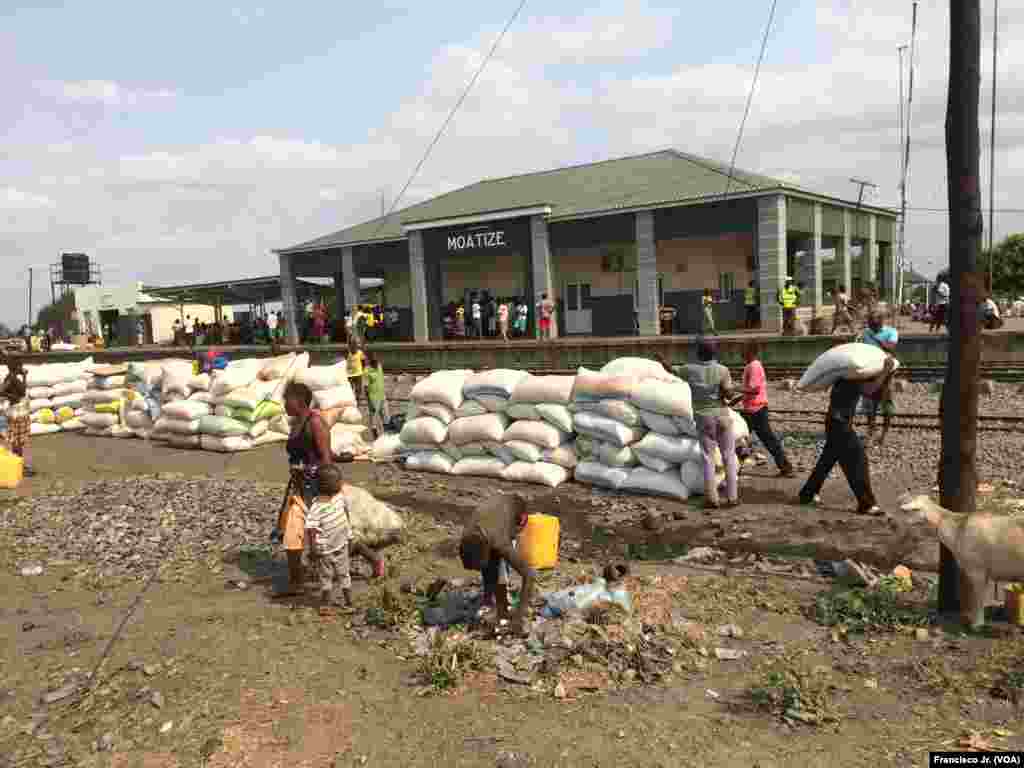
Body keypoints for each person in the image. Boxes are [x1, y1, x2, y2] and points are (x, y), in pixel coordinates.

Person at [798, 357, 893, 516]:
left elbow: (873, 389)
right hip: (840, 426)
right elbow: (870, 389)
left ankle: (807, 494)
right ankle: (866, 503)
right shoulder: (851, 380)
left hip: (835, 423)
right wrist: (885, 370)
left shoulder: (843, 378)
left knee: (827, 461)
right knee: (858, 461)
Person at [277, 381, 333, 598]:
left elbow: (327, 460)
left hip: (318, 487)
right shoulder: (295, 423)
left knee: (330, 535)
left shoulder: (315, 423)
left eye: (287, 399)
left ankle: (372, 558)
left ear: (298, 401)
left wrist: (309, 470)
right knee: (293, 534)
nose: (284, 404)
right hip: (300, 489)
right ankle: (296, 580)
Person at [458, 494, 535, 635]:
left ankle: (501, 605)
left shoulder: (501, 542)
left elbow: (529, 575)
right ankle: (494, 604)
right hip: (495, 512)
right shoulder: (467, 536)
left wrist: (519, 618)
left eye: (479, 565)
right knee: (491, 567)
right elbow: (484, 564)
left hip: (516, 514)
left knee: (499, 564)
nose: (477, 570)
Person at [681, 340, 739, 509]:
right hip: (722, 415)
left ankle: (712, 499)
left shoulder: (689, 369)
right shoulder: (723, 370)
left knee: (708, 458)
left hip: (704, 418)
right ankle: (732, 497)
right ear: (714, 354)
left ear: (698, 353)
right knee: (728, 455)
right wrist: (729, 392)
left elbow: (670, 370)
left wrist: (662, 361)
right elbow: (728, 392)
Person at [736, 342, 794, 477]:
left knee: (762, 439)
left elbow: (755, 390)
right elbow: (753, 389)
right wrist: (738, 398)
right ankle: (736, 467)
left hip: (756, 411)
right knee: (741, 438)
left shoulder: (754, 366)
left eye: (743, 349)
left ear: (750, 351)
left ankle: (786, 467)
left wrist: (734, 389)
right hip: (752, 409)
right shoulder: (751, 366)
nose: (740, 352)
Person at [304, 464, 354, 615]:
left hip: (341, 546)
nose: (340, 483)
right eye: (337, 481)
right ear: (324, 485)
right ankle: (326, 604)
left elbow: (345, 517)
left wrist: (349, 536)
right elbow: (311, 529)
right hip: (325, 550)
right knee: (326, 577)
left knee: (344, 574)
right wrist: (313, 548)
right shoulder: (317, 506)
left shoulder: (340, 498)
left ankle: (349, 602)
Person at [1, 358, 34, 477]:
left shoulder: (13, 378)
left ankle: (18, 464)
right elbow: (1, 390)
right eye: (20, 366)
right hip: (16, 413)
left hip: (19, 412)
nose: (22, 368)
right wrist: (11, 397)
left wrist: (24, 377)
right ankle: (18, 466)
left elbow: (22, 391)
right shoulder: (11, 378)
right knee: (17, 442)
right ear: (16, 367)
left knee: (18, 442)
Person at [364, 352, 387, 438]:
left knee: (386, 417)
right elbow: (365, 387)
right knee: (373, 418)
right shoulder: (367, 371)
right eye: (374, 360)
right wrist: (369, 400)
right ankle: (375, 435)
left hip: (382, 396)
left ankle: (386, 434)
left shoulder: (379, 367)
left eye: (377, 360)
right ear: (370, 361)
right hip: (373, 398)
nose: (376, 362)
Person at [347, 339, 366, 406]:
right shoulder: (348, 353)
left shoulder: (360, 353)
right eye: (352, 346)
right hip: (349, 374)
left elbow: (363, 361)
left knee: (358, 388)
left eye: (354, 345)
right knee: (350, 388)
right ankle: (350, 400)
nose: (353, 347)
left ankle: (358, 400)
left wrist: (363, 369)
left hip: (358, 373)